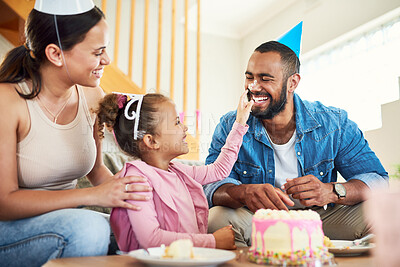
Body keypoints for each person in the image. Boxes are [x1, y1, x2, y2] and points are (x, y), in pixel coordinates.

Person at [203, 23, 389, 247]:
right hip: (258, 218)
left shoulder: (334, 124)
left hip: (320, 217)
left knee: (384, 212)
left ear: (292, 83)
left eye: (265, 78)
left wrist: (332, 191)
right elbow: (211, 187)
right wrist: (241, 192)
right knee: (217, 218)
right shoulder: (229, 125)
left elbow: (377, 180)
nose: (253, 86)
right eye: (249, 77)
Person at [0, 1, 151, 266]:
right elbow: (5, 202)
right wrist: (90, 197)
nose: (107, 60)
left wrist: (138, 193)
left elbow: (96, 172)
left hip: (67, 219)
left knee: (144, 237)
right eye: (98, 52)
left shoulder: (93, 96)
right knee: (88, 228)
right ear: (56, 54)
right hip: (9, 230)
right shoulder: (8, 101)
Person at [96, 91, 253, 252]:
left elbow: (218, 170)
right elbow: (151, 239)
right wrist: (212, 241)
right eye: (176, 122)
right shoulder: (136, 180)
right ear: (151, 141)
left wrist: (240, 123)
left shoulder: (176, 170)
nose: (184, 127)